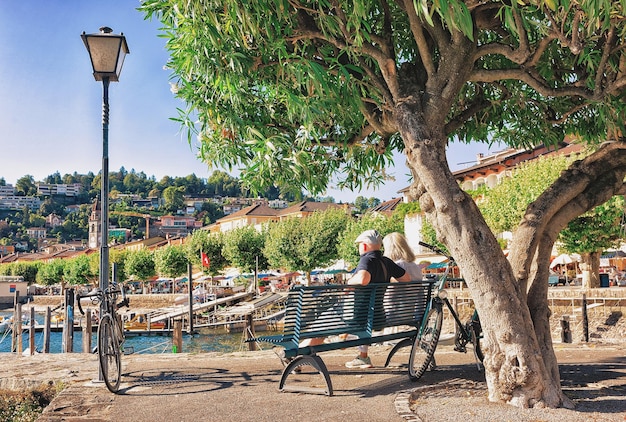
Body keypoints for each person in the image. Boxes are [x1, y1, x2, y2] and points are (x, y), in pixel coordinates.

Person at [343, 229, 410, 369]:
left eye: (359, 244)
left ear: (365, 246)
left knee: (326, 321)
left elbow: (363, 279)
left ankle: (297, 354)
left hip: (359, 318)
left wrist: (349, 282)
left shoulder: (367, 259)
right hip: (378, 317)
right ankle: (362, 357)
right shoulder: (386, 261)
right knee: (358, 317)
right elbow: (406, 278)